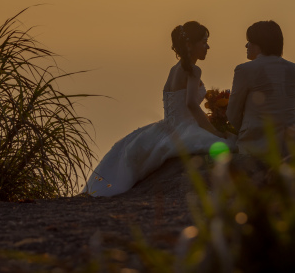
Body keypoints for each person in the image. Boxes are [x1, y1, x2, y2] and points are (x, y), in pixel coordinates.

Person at [84, 21, 235, 196]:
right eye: (204, 42)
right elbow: (191, 104)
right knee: (227, 144)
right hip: (184, 128)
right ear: (190, 45)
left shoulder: (174, 70)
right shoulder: (194, 70)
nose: (207, 46)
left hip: (167, 127)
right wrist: (213, 131)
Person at [226, 20, 295, 156]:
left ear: (260, 44)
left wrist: (247, 130)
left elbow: (233, 113)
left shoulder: (245, 70)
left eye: (250, 41)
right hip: (293, 145)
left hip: (258, 145)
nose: (246, 45)